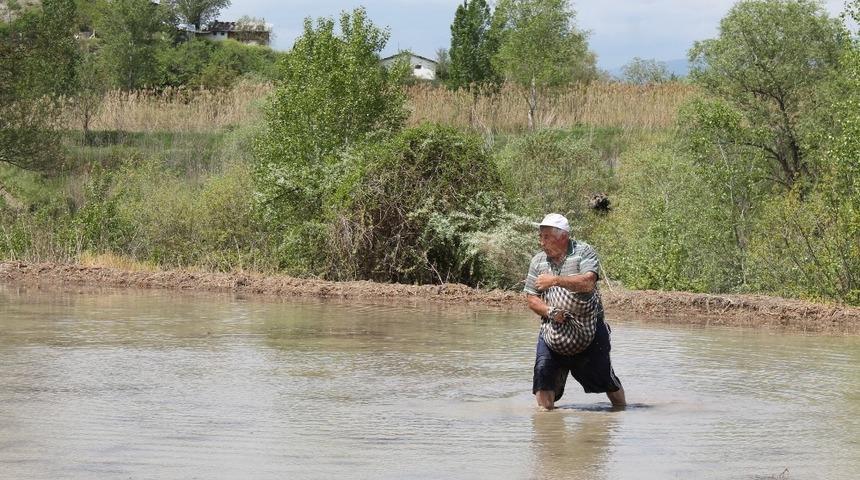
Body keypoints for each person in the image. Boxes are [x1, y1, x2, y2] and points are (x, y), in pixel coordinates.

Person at [524, 213, 626, 410]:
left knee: (606, 380)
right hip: (552, 330)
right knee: (542, 375)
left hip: (590, 328)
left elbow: (588, 283)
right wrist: (550, 311)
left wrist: (554, 280)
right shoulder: (538, 261)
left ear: (563, 236)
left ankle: (621, 412)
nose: (541, 242)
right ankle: (547, 427)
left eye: (546, 237)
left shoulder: (583, 252)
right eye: (540, 236)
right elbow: (531, 298)